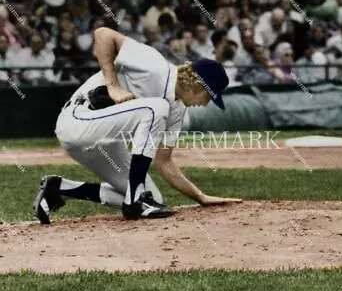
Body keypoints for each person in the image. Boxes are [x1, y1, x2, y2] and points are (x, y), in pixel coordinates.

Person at [33, 27, 241, 224]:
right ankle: (134, 201)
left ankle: (60, 188)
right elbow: (103, 34)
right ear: (195, 82)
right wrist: (112, 85)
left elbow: (164, 162)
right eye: (208, 96)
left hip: (105, 141)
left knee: (152, 196)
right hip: (77, 121)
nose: (205, 103)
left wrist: (201, 196)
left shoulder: (178, 109)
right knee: (156, 108)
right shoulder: (155, 66)